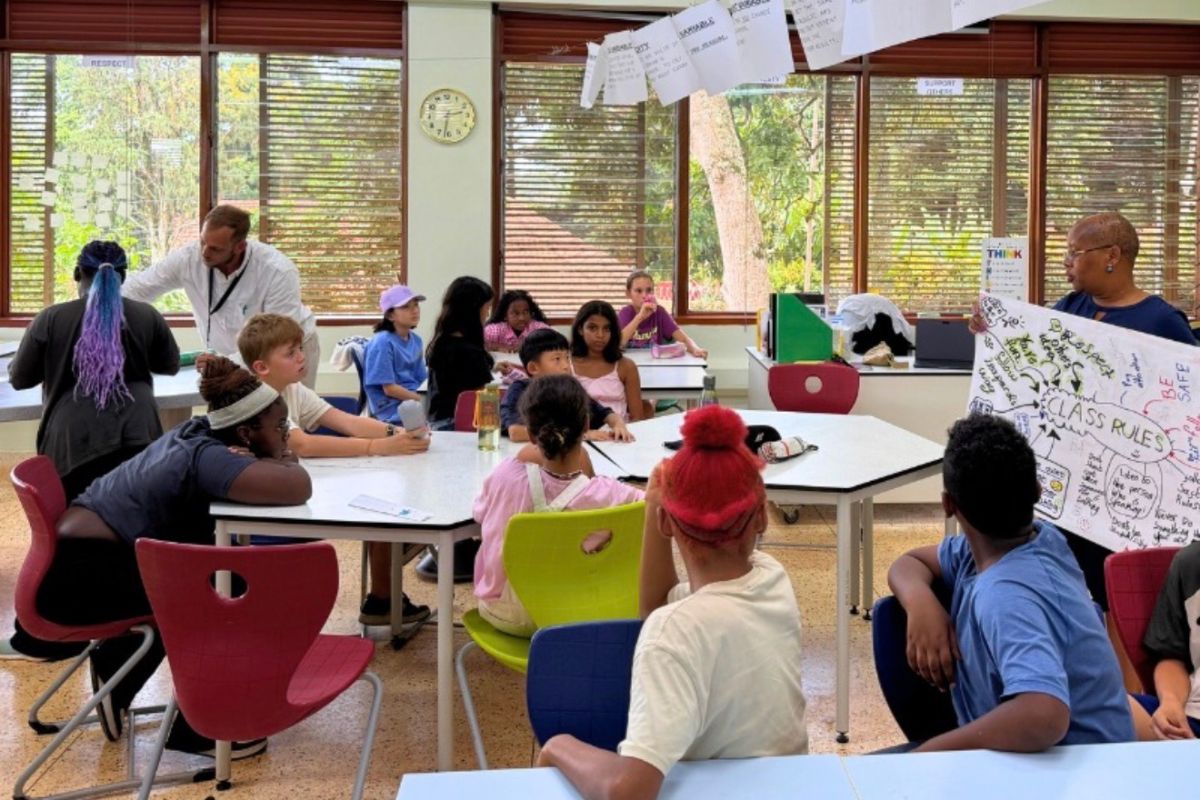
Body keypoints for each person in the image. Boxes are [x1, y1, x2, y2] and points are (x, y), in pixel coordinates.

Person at [39, 356, 311, 758]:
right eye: (280, 427)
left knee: (225, 571)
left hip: (84, 561)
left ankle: (118, 668)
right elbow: (298, 486)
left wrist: (268, 458)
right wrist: (280, 461)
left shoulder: (196, 431)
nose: (286, 435)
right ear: (245, 432)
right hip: (82, 580)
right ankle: (198, 729)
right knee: (226, 592)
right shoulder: (210, 456)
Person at [538, 405, 807, 799]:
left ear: (667, 523)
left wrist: (558, 744)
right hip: (793, 787)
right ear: (762, 518)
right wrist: (655, 506)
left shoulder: (672, 632)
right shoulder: (772, 578)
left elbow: (630, 792)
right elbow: (657, 606)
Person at [971, 212, 1196, 615]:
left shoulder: (1162, 322)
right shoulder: (1070, 306)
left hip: (1125, 492)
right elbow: (1034, 356)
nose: (1066, 262)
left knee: (1118, 598)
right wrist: (992, 329)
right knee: (1063, 585)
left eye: (1074, 252)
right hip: (1068, 486)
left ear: (1112, 255)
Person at [887, 414, 1133, 752]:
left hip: (1076, 768)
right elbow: (908, 564)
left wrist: (927, 755)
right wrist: (921, 603)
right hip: (1052, 759)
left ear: (948, 505)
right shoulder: (1038, 540)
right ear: (1037, 491)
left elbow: (1044, 715)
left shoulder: (1004, 596)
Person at [3, 241, 179, 662]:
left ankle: (47, 636)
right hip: (138, 436)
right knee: (130, 530)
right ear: (123, 276)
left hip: (74, 439)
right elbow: (169, 364)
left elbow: (20, 377)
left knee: (70, 534)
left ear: (76, 274)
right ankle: (124, 622)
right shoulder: (146, 315)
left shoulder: (52, 317)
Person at [238, 313, 431, 627]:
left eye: (300, 348)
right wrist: (378, 446)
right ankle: (394, 571)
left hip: (292, 488)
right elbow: (304, 445)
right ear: (262, 367)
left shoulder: (291, 388)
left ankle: (383, 598)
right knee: (380, 507)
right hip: (262, 507)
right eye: (290, 353)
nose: (302, 357)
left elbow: (346, 422)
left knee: (382, 500)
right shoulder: (256, 398)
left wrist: (397, 433)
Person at [473, 375, 644, 636]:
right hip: (576, 614)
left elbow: (480, 514)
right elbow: (656, 502)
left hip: (505, 613)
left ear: (531, 434)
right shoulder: (609, 494)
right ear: (586, 424)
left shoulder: (504, 475)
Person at [122, 204, 319, 387]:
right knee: (234, 411)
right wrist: (104, 299)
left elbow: (277, 339)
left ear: (239, 247)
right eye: (202, 242)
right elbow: (140, 287)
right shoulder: (188, 258)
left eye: (215, 248)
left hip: (285, 351)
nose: (205, 252)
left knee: (286, 410)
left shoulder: (277, 271)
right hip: (227, 357)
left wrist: (226, 363)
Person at [501, 329, 634, 444]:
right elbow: (515, 432)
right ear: (533, 368)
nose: (566, 365)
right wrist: (579, 435)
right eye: (557, 359)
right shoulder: (519, 390)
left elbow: (605, 414)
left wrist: (618, 425)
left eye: (567, 358)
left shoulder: (570, 388)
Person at [1129, 541, 1200, 741]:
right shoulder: (1191, 563)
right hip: (1192, 718)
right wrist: (1170, 702)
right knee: (1097, 708)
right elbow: (1172, 658)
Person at [425, 276, 500, 431]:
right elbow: (485, 402)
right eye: (486, 308)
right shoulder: (469, 352)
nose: (487, 314)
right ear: (472, 311)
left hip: (437, 421)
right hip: (458, 425)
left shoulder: (442, 342)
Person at [363, 284, 428, 424]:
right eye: (405, 307)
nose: (414, 310)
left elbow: (422, 379)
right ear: (390, 315)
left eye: (416, 305)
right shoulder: (382, 342)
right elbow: (389, 389)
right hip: (390, 407)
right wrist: (422, 401)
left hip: (413, 399)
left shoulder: (416, 340)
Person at [570, 300, 645, 422]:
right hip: (582, 432)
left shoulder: (626, 366)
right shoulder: (567, 366)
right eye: (592, 328)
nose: (600, 335)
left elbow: (637, 418)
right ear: (580, 329)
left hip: (620, 432)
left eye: (606, 329)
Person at [617, 270, 707, 358]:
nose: (644, 295)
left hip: (654, 361)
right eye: (638, 291)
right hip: (630, 362)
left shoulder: (660, 312)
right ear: (628, 294)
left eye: (649, 290)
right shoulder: (625, 313)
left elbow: (683, 339)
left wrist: (696, 349)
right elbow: (618, 343)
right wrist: (640, 317)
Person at [484, 289, 550, 353]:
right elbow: (478, 343)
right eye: (515, 313)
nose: (522, 318)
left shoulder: (538, 328)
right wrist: (496, 347)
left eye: (525, 312)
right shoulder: (496, 330)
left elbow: (554, 341)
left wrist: (530, 346)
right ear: (505, 315)